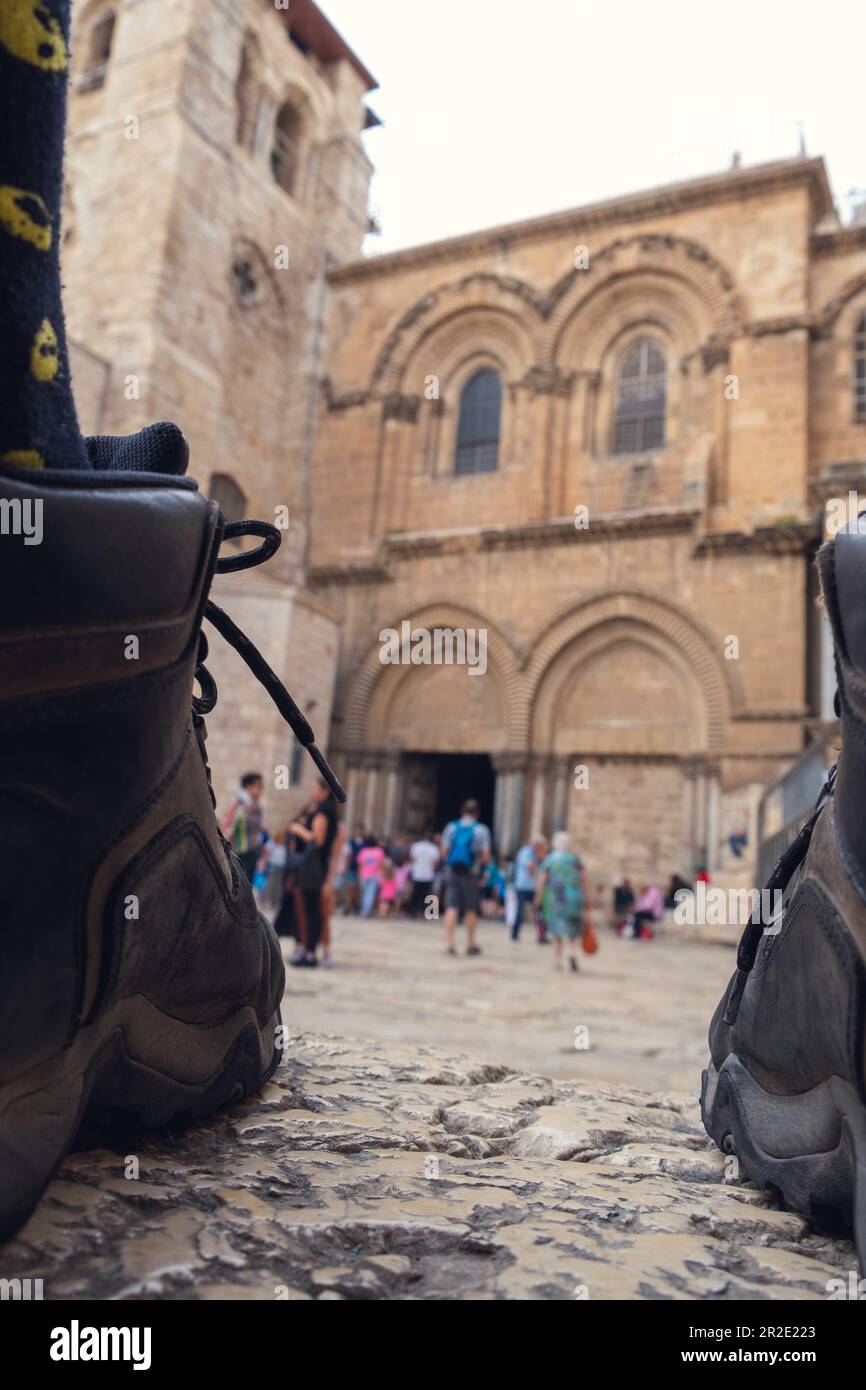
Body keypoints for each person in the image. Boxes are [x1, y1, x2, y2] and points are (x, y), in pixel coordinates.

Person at [286, 777, 340, 967]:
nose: (311, 791)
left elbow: (317, 840)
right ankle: (308, 949)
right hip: (314, 868)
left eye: (315, 788)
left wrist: (298, 830)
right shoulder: (321, 811)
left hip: (313, 869)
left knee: (312, 910)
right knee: (309, 909)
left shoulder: (322, 814)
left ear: (325, 792)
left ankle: (310, 952)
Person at [441, 799, 491, 957]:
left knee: (451, 907)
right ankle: (470, 944)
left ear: (462, 812)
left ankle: (449, 943)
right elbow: (485, 857)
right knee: (471, 909)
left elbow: (444, 852)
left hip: (453, 870)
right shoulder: (481, 830)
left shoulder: (451, 827)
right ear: (477, 813)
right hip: (471, 872)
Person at [534, 831, 590, 973]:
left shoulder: (551, 859)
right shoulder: (575, 859)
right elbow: (584, 879)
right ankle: (572, 953)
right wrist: (587, 898)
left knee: (556, 929)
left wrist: (538, 898)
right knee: (573, 927)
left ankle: (558, 960)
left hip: (557, 898)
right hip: (574, 897)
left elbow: (542, 880)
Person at [221, 772, 266, 883]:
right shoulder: (239, 804)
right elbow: (227, 827)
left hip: (251, 852)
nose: (261, 790)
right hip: (239, 853)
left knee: (248, 885)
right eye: (258, 786)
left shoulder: (255, 806)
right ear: (248, 786)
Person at [510, 834, 547, 941]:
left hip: (534, 887)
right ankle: (515, 933)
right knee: (519, 911)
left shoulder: (538, 854)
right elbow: (530, 869)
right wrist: (537, 857)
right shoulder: (525, 852)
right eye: (540, 846)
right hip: (522, 886)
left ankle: (541, 935)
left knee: (539, 911)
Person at [407, 831, 439, 917]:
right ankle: (423, 912)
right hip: (428, 874)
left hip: (417, 873)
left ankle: (411, 911)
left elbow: (412, 859)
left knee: (415, 894)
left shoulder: (416, 846)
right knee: (426, 895)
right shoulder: (433, 848)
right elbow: (434, 863)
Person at [357, 834, 385, 917]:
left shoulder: (363, 851)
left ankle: (363, 910)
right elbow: (382, 865)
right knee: (370, 894)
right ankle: (367, 911)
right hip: (374, 875)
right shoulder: (379, 851)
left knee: (364, 893)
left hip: (364, 875)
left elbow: (360, 864)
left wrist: (360, 874)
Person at [344, 823, 367, 914]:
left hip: (363, 868)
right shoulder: (351, 842)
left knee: (359, 888)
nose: (358, 832)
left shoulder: (365, 842)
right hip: (353, 867)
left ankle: (357, 906)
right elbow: (348, 855)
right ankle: (348, 906)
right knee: (351, 887)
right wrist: (346, 867)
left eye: (360, 830)